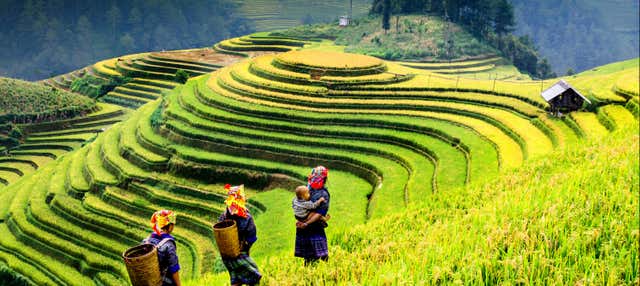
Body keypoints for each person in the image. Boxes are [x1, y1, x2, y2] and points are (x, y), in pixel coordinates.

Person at [218, 184, 262, 286]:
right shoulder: (246, 217)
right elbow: (251, 237)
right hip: (240, 252)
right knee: (254, 276)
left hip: (226, 255)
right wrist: (246, 247)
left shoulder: (224, 216)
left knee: (236, 278)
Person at [294, 166, 330, 265]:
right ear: (325, 179)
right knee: (321, 255)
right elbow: (319, 213)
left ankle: (309, 273)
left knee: (308, 256)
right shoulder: (323, 194)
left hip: (303, 225)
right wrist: (307, 223)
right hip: (314, 226)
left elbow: (298, 204)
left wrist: (302, 221)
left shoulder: (307, 188)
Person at [144, 210, 181, 286]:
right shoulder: (169, 244)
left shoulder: (145, 241)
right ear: (169, 226)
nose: (173, 226)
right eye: (172, 224)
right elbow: (174, 269)